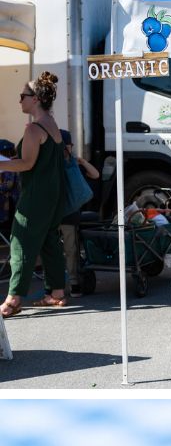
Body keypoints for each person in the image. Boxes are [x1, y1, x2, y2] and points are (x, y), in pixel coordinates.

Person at [0, 71, 66, 317]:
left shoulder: (34, 129)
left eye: (22, 95)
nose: (19, 100)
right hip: (53, 192)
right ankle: (57, 293)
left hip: (37, 194)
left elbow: (27, 164)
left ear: (35, 99)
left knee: (20, 240)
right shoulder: (52, 124)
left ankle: (13, 299)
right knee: (49, 241)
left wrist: (2, 164)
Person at [59, 129, 99, 299]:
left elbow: (95, 174)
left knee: (62, 250)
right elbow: (95, 175)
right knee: (69, 250)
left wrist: (80, 161)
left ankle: (65, 285)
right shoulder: (70, 165)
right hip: (66, 215)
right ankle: (68, 284)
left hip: (59, 215)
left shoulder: (70, 164)